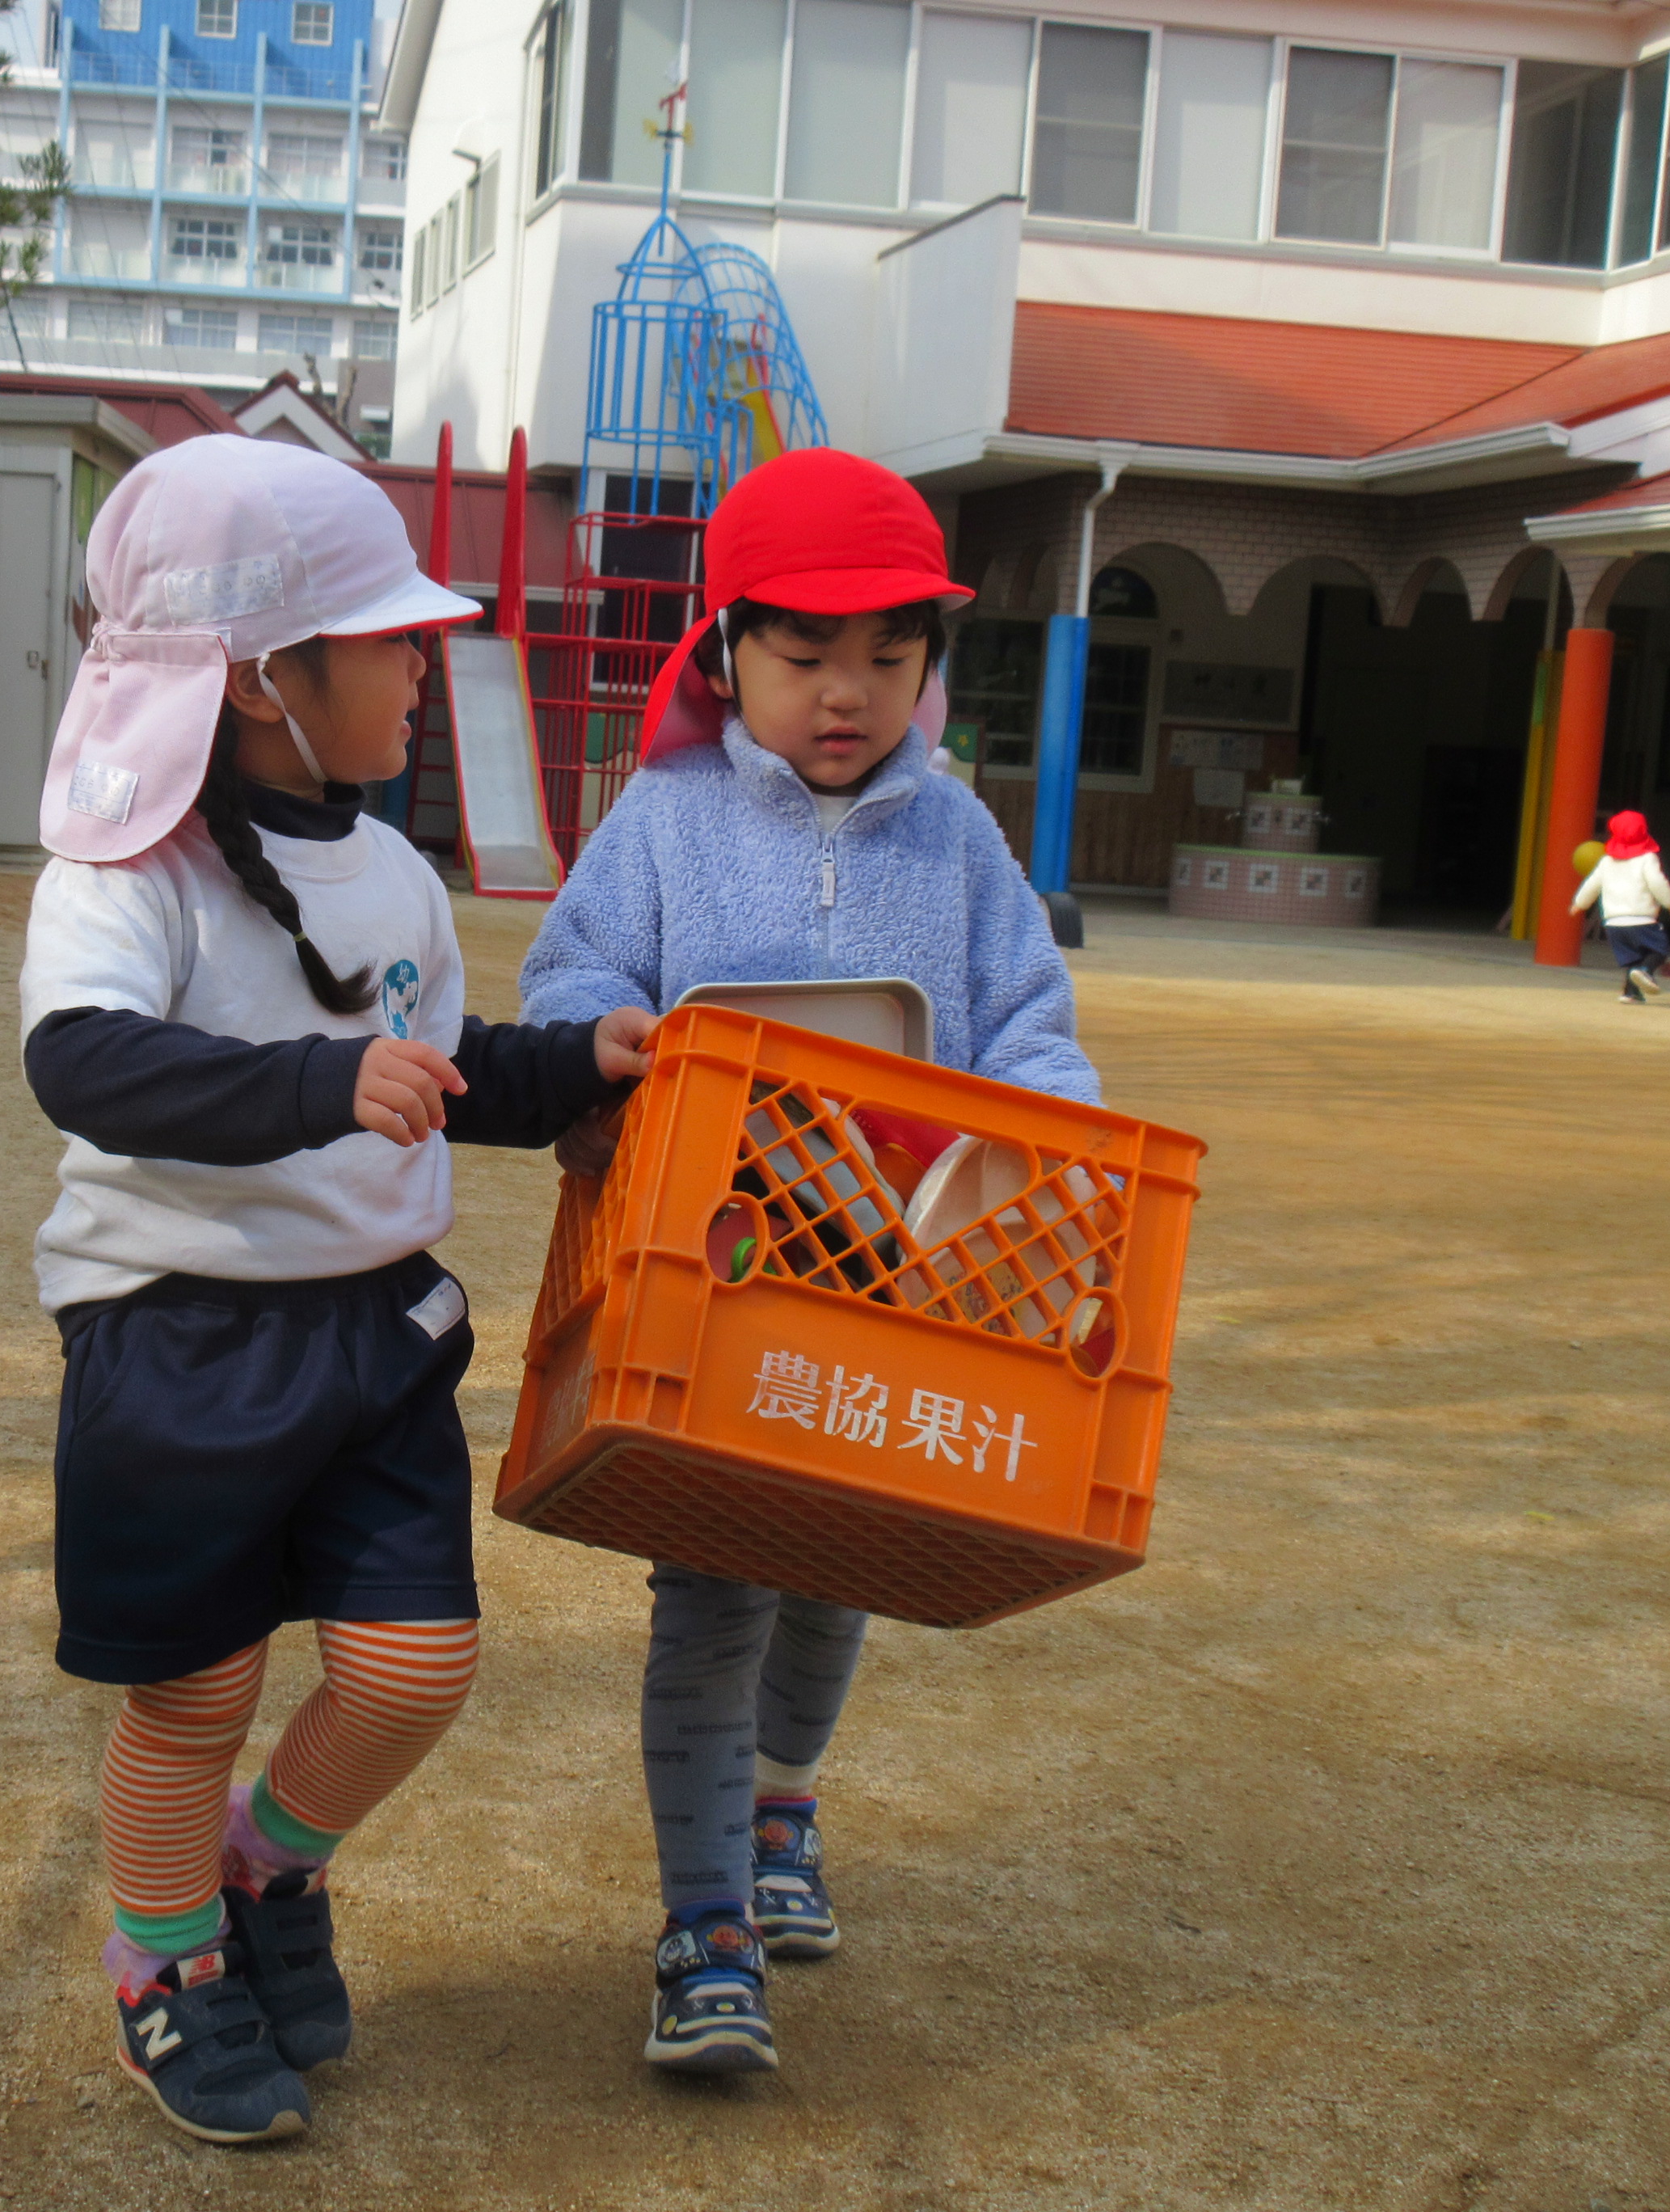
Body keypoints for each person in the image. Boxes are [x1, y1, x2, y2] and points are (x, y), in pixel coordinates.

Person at [19, 436, 655, 2145]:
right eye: (388, 639)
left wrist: (569, 1067)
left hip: (375, 1334)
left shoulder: (397, 875)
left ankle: (267, 1867)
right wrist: (318, 1084)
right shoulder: (126, 867)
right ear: (256, 684)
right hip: (177, 1336)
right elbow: (83, 1063)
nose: (423, 665)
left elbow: (433, 1067)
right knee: (196, 1693)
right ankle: (164, 1961)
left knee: (411, 1670)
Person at [517, 447, 1101, 2074]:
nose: (848, 693)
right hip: (711, 1275)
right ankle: (705, 1926)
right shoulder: (665, 819)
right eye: (805, 653)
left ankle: (783, 1804)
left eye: (890, 656)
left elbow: (1031, 1024)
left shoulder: (959, 838)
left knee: (842, 1571)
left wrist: (1050, 1135)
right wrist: (605, 1043)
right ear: (726, 650)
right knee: (713, 1596)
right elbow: (570, 975)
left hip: (904, 1289)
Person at [1571, 811, 1670, 1003]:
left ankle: (1631, 993)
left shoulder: (1606, 861)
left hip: (1614, 923)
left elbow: (1591, 884)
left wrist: (1579, 903)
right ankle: (1646, 971)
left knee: (1632, 959)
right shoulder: (1647, 858)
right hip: (1641, 918)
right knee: (1659, 950)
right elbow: (1657, 883)